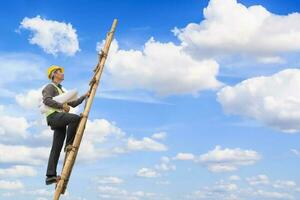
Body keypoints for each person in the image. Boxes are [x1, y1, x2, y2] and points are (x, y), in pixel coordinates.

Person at [42, 65, 90, 185]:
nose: (62, 74)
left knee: (56, 148)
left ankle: (50, 176)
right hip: (53, 116)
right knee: (75, 119)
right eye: (59, 72)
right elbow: (46, 100)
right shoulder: (50, 87)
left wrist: (83, 97)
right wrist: (62, 106)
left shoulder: (61, 90)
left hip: (59, 119)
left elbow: (72, 103)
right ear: (53, 74)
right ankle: (68, 144)